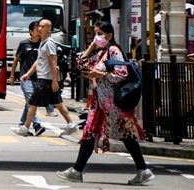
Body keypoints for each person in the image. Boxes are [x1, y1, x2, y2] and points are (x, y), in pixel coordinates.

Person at [56, 22, 154, 185]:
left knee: (126, 135)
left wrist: (100, 74)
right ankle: (77, 170)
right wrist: (92, 46)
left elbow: (121, 74)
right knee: (90, 132)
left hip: (114, 103)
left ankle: (143, 170)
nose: (97, 36)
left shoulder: (113, 50)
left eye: (100, 33)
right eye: (95, 33)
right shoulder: (100, 52)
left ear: (109, 35)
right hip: (101, 103)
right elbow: (81, 64)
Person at [12, 19, 78, 137]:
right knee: (58, 102)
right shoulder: (43, 42)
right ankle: (71, 124)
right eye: (39, 27)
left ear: (49, 29)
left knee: (33, 103)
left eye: (42, 27)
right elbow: (39, 61)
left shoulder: (49, 43)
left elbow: (53, 62)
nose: (39, 29)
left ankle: (25, 128)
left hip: (45, 79)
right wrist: (28, 74)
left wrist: (54, 81)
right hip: (45, 78)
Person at [8, 21, 45, 136]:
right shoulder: (24, 43)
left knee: (29, 103)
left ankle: (21, 125)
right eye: (36, 29)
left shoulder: (43, 44)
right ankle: (37, 125)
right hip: (25, 77)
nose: (39, 31)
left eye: (40, 29)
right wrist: (12, 75)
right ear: (31, 31)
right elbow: (15, 60)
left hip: (38, 77)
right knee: (31, 100)